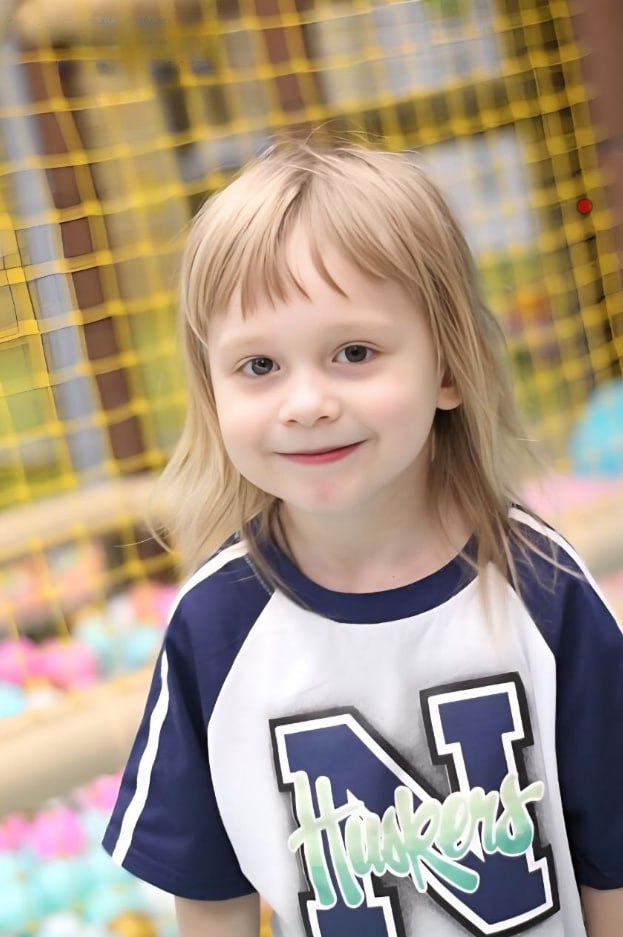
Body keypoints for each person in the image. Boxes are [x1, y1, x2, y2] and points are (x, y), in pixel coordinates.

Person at [102, 140, 623, 937]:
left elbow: (611, 862)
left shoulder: (541, 587)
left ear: (447, 367)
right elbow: (210, 893)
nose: (306, 402)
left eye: (353, 352)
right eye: (259, 365)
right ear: (210, 391)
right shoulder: (214, 625)